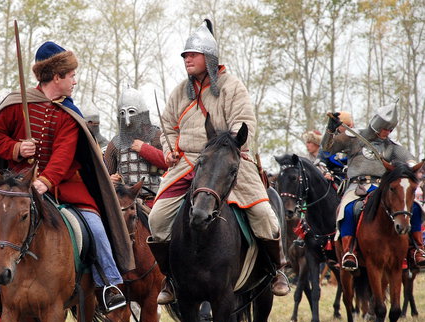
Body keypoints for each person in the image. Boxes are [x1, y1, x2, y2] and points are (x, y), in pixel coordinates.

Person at [0, 41, 134, 316]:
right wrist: (17, 148)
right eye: (71, 76)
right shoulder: (15, 104)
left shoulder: (69, 113)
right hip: (18, 186)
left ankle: (109, 283)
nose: (75, 82)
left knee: (94, 225)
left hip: (65, 187)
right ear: (56, 76)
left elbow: (64, 155)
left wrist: (45, 181)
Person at [147, 20, 290, 305]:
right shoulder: (179, 92)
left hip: (227, 161)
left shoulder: (232, 87)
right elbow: (167, 126)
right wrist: (169, 149)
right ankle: (170, 277)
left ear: (209, 58)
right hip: (187, 164)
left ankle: (276, 269)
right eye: (185, 55)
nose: (187, 59)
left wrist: (227, 145)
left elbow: (244, 122)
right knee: (157, 218)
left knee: (263, 214)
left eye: (193, 55)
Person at [323, 103, 425, 269]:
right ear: (377, 124)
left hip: (382, 188)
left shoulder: (391, 145)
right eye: (385, 128)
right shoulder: (354, 138)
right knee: (348, 209)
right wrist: (330, 130)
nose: (388, 132)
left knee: (412, 207)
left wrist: (411, 165)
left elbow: (409, 159)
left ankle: (417, 249)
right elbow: (327, 148)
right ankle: (350, 251)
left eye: (391, 129)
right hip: (357, 186)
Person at [103, 87, 166, 205]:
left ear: (141, 113)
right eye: (122, 113)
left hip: (154, 201)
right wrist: (111, 179)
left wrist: (145, 149)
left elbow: (170, 164)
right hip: (125, 203)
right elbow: (104, 177)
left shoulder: (157, 136)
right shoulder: (116, 143)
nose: (127, 120)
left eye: (131, 112)